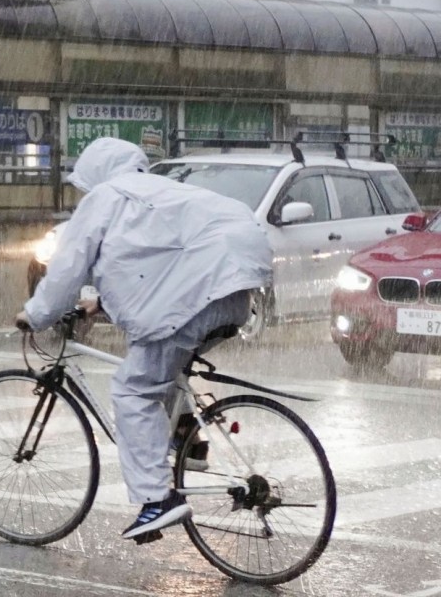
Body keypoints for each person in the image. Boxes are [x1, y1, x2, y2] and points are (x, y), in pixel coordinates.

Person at [15, 137, 272, 541]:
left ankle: (157, 500)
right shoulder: (163, 191)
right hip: (236, 290)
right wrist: (98, 303)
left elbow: (67, 268)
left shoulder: (105, 197)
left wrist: (35, 316)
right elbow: (155, 257)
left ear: (96, 174)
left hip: (195, 294)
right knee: (163, 369)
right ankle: (188, 437)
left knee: (133, 390)